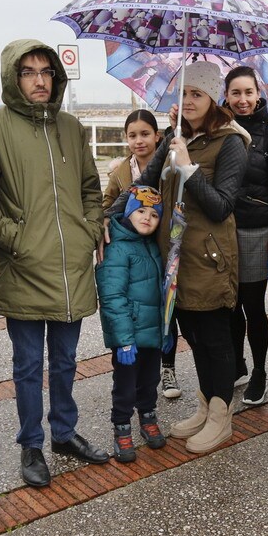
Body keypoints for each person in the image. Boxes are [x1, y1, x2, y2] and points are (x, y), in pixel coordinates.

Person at [0, 39, 110, 486]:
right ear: (13, 78)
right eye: (29, 72)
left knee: (67, 360)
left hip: (71, 267)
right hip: (24, 266)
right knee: (28, 365)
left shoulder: (71, 127)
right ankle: (31, 443)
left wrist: (89, 229)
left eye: (46, 72)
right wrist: (19, 240)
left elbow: (91, 187)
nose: (39, 80)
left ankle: (64, 433)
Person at [107, 60, 247, 454]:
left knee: (216, 340)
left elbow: (222, 206)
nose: (187, 100)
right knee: (194, 338)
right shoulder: (174, 136)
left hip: (210, 260)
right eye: (183, 93)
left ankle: (221, 417)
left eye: (196, 94)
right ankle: (205, 406)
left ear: (213, 97)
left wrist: (188, 169)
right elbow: (143, 184)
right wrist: (108, 215)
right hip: (175, 261)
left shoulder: (230, 142)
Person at [103, 110, 182, 400]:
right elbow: (108, 203)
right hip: (130, 249)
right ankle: (133, 368)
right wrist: (106, 219)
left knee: (165, 305)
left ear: (157, 136)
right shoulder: (121, 171)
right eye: (133, 135)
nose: (139, 141)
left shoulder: (169, 166)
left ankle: (168, 367)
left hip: (161, 243)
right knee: (136, 304)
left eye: (145, 134)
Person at [222, 66, 268, 406]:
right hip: (221, 229)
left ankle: (260, 370)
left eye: (248, 92)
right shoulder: (218, 129)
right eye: (236, 93)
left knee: (252, 304)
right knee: (229, 304)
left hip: (254, 229)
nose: (243, 99)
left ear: (258, 95)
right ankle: (237, 363)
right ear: (227, 96)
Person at [96, 187, 169, 462]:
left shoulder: (151, 246)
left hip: (151, 333)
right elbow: (112, 296)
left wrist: (166, 331)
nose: (147, 218)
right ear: (127, 213)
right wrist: (123, 339)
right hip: (128, 336)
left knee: (150, 380)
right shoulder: (116, 247)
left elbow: (162, 295)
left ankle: (148, 416)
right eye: (140, 211)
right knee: (125, 384)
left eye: (153, 214)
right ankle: (122, 427)